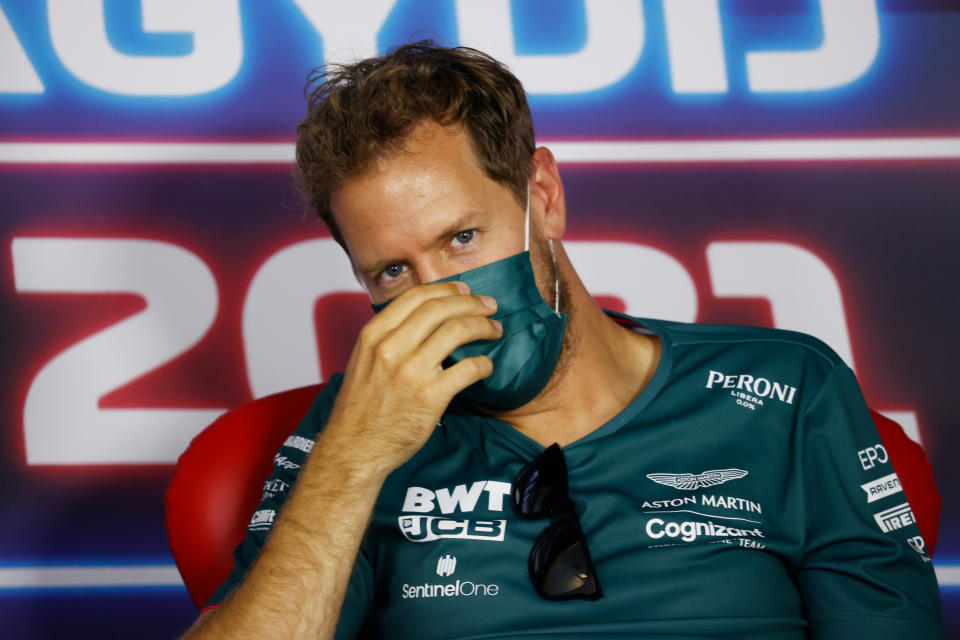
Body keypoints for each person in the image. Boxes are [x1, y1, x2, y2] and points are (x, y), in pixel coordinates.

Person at [181, 41, 944, 639]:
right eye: (390, 272)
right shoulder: (357, 427)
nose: (439, 297)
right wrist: (350, 463)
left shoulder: (788, 390)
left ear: (542, 197)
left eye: (463, 238)